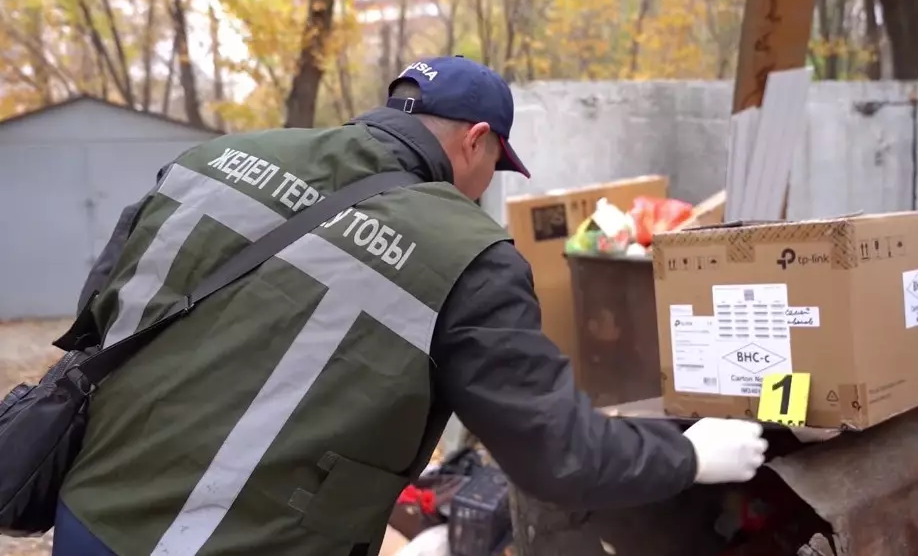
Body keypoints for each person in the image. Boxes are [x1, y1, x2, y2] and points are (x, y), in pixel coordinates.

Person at [53, 56, 767, 556]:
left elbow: (101, 310)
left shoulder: (215, 160)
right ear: (476, 141)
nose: (488, 185)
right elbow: (559, 453)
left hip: (89, 510)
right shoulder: (470, 253)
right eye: (496, 167)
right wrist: (691, 454)